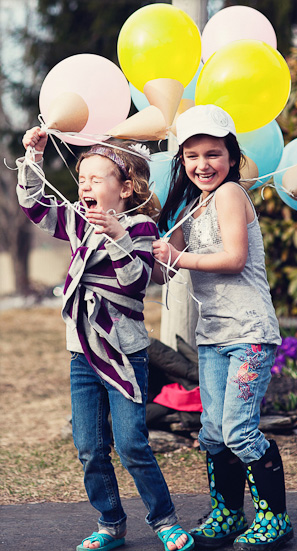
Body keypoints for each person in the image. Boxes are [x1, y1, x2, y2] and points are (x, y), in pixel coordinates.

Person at [16, 127, 194, 551]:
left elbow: (135, 283)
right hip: (82, 352)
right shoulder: (78, 222)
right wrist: (33, 159)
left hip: (124, 353)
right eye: (82, 180)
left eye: (97, 179)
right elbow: (35, 206)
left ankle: (164, 519)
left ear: (125, 188)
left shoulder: (143, 227)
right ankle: (111, 522)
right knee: (90, 448)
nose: (86, 187)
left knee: (132, 443)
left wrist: (117, 236)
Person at [152, 105, 294, 551]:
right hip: (212, 335)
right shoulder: (191, 206)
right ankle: (229, 513)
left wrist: (177, 257)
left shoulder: (232, 195)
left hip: (248, 332)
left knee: (238, 429)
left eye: (213, 153)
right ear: (182, 161)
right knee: (212, 431)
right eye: (192, 156)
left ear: (230, 157)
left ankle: (275, 520)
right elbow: (165, 270)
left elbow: (233, 258)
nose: (203, 164)